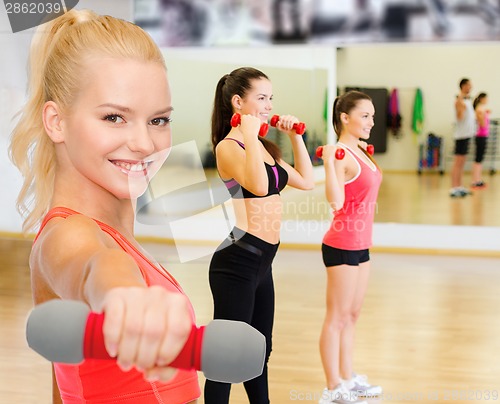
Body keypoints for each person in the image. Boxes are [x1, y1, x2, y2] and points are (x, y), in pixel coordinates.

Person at [9, 9, 201, 403]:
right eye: (115, 117)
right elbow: (95, 266)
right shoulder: (67, 234)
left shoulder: (119, 234)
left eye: (159, 121)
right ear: (56, 122)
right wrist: (122, 297)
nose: (145, 144)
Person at [204, 67, 314, 404]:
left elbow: (307, 181)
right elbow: (261, 186)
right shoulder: (229, 147)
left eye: (271, 98)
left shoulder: (263, 147)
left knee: (259, 349)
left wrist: (295, 136)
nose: (268, 105)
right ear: (238, 102)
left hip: (262, 263)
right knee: (225, 357)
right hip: (236, 263)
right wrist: (250, 136)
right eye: (261, 98)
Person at [317, 90, 382, 404]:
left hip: (361, 244)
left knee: (353, 314)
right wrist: (329, 162)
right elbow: (335, 201)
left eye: (371, 115)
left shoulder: (360, 152)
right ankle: (333, 387)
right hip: (342, 243)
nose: (371, 121)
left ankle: (348, 376)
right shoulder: (341, 153)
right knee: (337, 316)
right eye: (365, 115)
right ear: (345, 118)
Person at [450, 78, 475, 198]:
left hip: (467, 135)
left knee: (462, 162)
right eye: (469, 85)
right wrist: (460, 108)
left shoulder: (467, 100)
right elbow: (459, 117)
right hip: (461, 136)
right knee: (457, 162)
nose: (471, 87)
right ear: (463, 86)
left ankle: (459, 186)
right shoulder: (459, 101)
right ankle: (454, 188)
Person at [471, 92, 490, 189]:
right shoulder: (479, 110)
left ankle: (478, 179)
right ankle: (475, 181)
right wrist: (483, 116)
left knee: (479, 158)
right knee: (478, 158)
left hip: (482, 136)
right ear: (482, 99)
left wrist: (486, 114)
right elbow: (482, 124)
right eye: (486, 98)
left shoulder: (481, 109)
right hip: (480, 136)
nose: (487, 100)